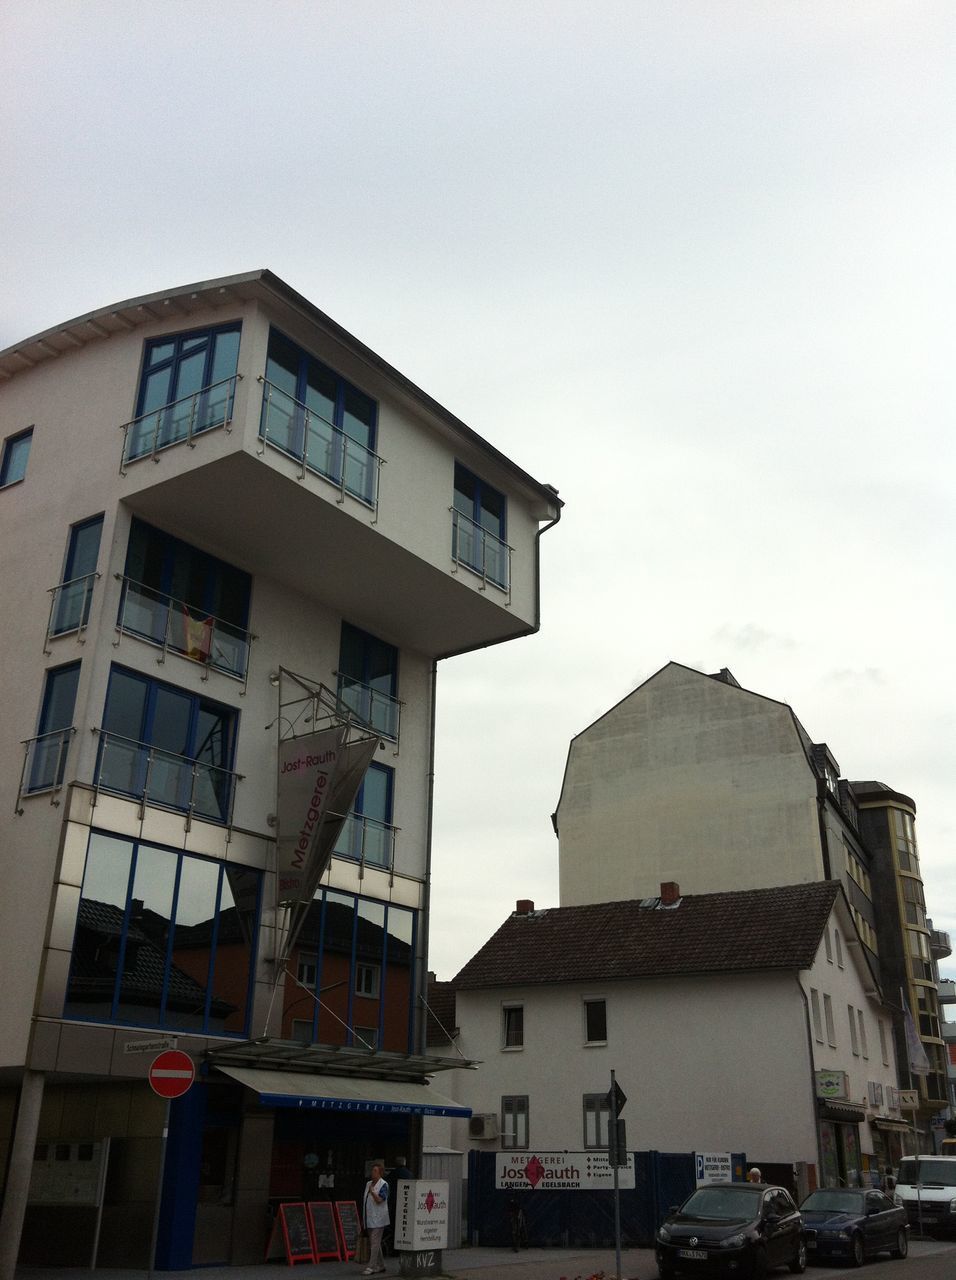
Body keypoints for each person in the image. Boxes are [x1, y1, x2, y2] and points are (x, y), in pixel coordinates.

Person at [362, 1161, 389, 1275]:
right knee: (375, 1243)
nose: (373, 1173)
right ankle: (381, 1265)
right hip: (369, 1218)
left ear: (380, 1173)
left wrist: (373, 1193)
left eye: (375, 1171)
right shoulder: (368, 1183)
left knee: (374, 1243)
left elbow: (379, 1200)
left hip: (379, 1219)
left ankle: (371, 1266)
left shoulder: (384, 1185)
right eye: (372, 1171)